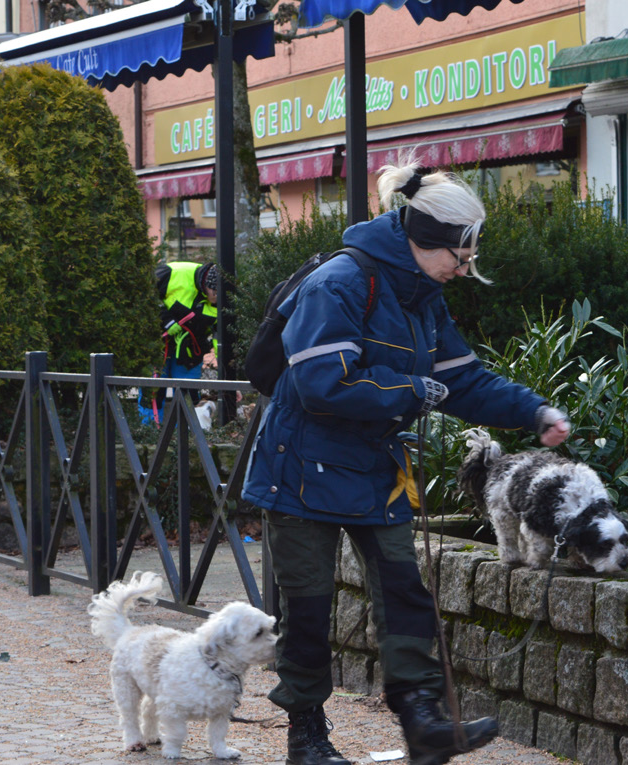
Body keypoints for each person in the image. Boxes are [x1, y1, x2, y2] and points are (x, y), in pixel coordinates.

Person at [242, 156, 570, 765]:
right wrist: (413, 392)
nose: (464, 270)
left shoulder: (424, 295)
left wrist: (534, 412)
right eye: (460, 257)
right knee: (309, 607)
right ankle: (306, 738)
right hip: (300, 469)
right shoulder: (340, 282)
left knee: (404, 592)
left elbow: (464, 379)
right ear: (425, 241)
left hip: (373, 466)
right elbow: (320, 383)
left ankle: (422, 723)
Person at [148, 261, 218, 422]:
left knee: (189, 395)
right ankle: (150, 432)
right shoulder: (172, 272)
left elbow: (221, 337)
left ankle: (188, 436)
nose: (217, 298)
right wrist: (165, 319)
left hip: (191, 351)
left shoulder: (223, 301)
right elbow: (145, 295)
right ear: (206, 285)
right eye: (215, 292)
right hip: (159, 344)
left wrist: (225, 372)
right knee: (154, 391)